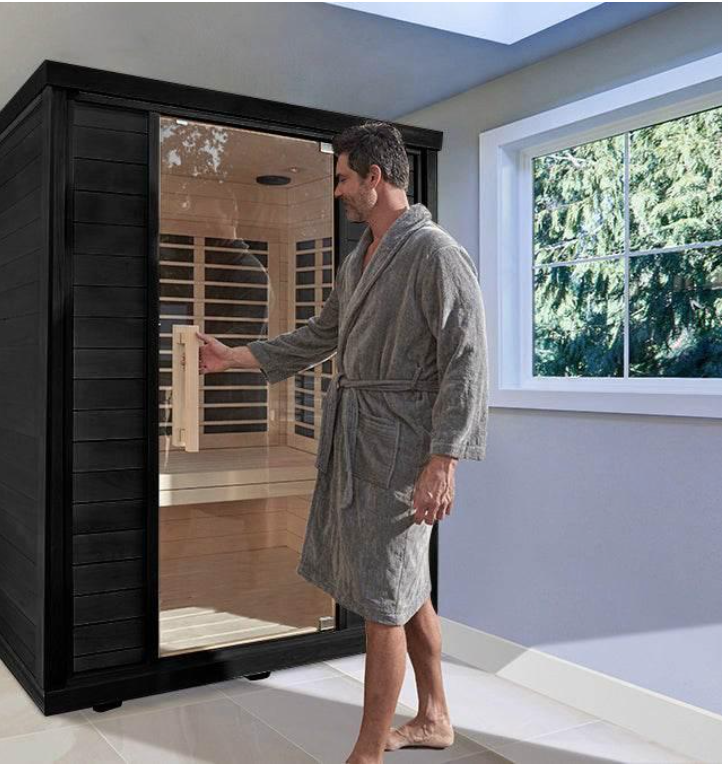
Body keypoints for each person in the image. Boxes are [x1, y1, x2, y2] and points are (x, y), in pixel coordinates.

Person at [196, 121, 488, 764]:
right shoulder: (362, 259)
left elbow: (467, 359)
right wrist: (233, 358)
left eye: (343, 178)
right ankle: (435, 715)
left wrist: (445, 460)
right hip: (363, 437)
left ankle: (366, 753)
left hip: (405, 451)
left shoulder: (435, 253)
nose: (338, 191)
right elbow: (317, 336)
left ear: (375, 179)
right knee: (406, 589)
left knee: (386, 597)